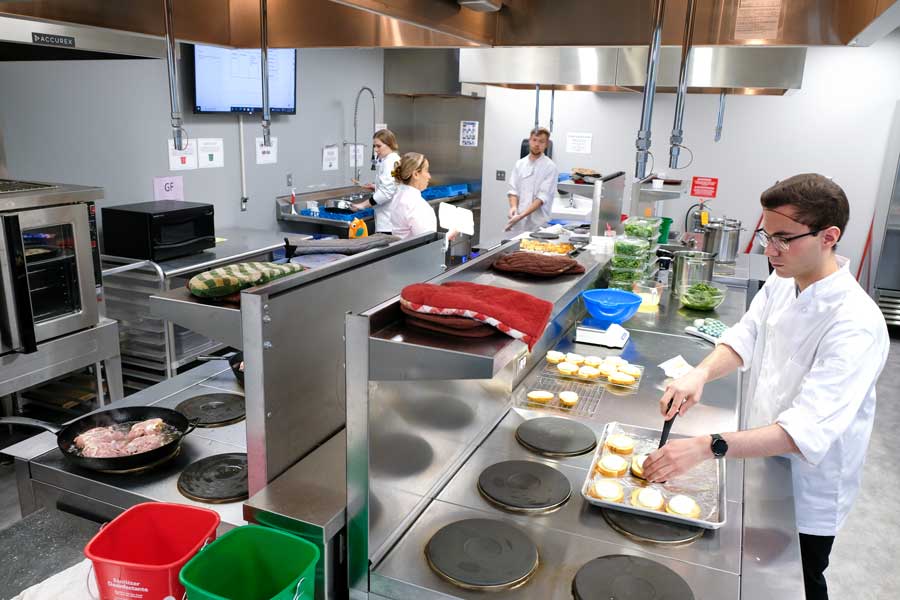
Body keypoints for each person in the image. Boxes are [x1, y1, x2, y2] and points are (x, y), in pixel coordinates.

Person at [642, 173, 889, 600]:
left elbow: (803, 432)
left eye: (784, 238)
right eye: (766, 235)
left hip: (807, 486)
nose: (769, 250)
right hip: (758, 455)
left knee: (794, 580)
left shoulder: (856, 325)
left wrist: (705, 446)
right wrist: (699, 373)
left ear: (829, 236)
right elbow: (748, 334)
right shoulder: (784, 279)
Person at [505, 127, 558, 234]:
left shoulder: (550, 167)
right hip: (518, 222)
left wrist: (521, 215)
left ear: (546, 144)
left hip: (539, 223)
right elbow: (513, 190)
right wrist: (513, 207)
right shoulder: (520, 164)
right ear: (529, 141)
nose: (537, 144)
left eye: (541, 141)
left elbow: (542, 198)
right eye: (534, 140)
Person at [353, 129, 401, 234]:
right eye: (374, 146)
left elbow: (386, 192)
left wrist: (363, 205)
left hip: (388, 223)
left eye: (379, 146)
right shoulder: (395, 159)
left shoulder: (389, 163)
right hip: (393, 220)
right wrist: (376, 186)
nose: (375, 149)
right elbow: (394, 184)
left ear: (390, 144)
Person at [389, 152, 437, 240]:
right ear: (415, 174)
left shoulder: (398, 196)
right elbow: (428, 243)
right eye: (426, 171)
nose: (429, 176)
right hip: (415, 253)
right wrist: (449, 236)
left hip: (400, 251)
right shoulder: (418, 205)